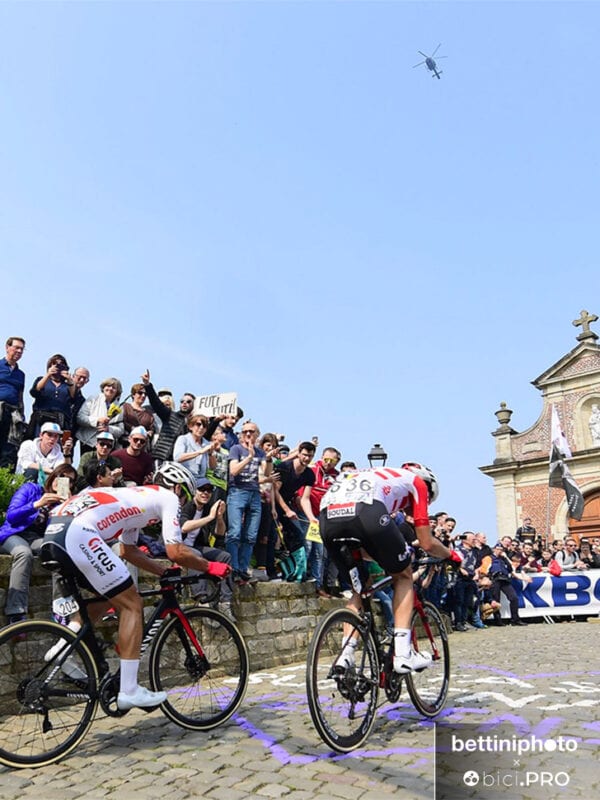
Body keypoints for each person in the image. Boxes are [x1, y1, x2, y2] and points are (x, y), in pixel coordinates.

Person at [41, 461, 231, 711]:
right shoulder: (168, 498)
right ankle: (129, 690)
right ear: (178, 488)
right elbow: (175, 551)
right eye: (184, 496)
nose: (182, 503)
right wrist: (209, 567)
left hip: (54, 534)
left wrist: (162, 571)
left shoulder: (135, 499)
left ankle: (62, 646)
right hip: (79, 534)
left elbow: (128, 551)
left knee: (113, 594)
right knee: (132, 604)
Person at [320, 462, 458, 674]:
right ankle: (403, 656)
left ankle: (345, 655)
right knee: (403, 576)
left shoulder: (371, 475)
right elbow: (427, 542)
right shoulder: (417, 482)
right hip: (365, 512)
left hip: (328, 518)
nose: (413, 508)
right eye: (429, 500)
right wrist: (451, 556)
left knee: (360, 589)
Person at [0, 463, 78, 623]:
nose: (63, 482)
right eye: (61, 476)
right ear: (53, 476)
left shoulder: (61, 503)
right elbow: (11, 516)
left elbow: (61, 533)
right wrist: (37, 504)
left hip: (36, 538)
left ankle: (60, 609)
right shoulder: (31, 489)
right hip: (13, 533)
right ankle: (16, 612)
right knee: (23, 553)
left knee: (58, 553)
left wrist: (67, 508)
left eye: (70, 481)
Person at [226, 421, 272, 582]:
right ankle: (233, 568)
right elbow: (233, 471)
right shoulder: (236, 449)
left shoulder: (260, 452)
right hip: (237, 491)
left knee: (251, 535)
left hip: (254, 493)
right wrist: (249, 457)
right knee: (235, 532)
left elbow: (266, 474)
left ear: (257, 434)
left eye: (251, 432)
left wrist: (269, 459)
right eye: (244, 431)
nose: (247, 435)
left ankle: (243, 568)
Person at [273, 441, 318, 583]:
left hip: (288, 506)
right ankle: (273, 570)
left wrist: (311, 517)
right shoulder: (284, 467)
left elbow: (305, 499)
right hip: (273, 503)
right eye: (304, 455)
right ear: (298, 453)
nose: (306, 458)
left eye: (310, 456)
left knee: (298, 536)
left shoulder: (309, 474)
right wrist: (286, 510)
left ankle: (296, 573)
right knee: (273, 537)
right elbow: (274, 491)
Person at [141, 370, 194, 463]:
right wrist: (148, 385)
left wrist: (217, 420)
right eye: (182, 401)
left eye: (188, 401)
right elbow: (156, 403)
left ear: (194, 405)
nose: (184, 403)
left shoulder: (195, 424)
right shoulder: (170, 415)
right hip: (161, 457)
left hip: (179, 462)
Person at [27, 353, 77, 437]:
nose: (58, 367)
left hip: (61, 420)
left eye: (61, 365)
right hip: (42, 418)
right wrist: (48, 374)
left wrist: (69, 380)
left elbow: (73, 397)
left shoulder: (67, 385)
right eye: (55, 364)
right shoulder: (42, 380)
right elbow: (35, 391)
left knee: (59, 446)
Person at [76, 377, 125, 455]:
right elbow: (80, 417)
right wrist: (97, 421)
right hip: (88, 442)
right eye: (108, 386)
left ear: (117, 391)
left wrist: (108, 429)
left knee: (102, 466)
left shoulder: (119, 407)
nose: (110, 389)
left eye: (114, 387)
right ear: (103, 387)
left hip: (106, 444)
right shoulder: (93, 399)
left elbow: (120, 430)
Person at [0, 336, 26, 470]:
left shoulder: (21, 374)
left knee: (9, 448)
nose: (19, 351)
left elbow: (20, 396)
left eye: (22, 349)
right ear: (7, 347)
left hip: (13, 413)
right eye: (16, 347)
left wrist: (22, 415)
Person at [173, 414, 217, 487]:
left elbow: (213, 467)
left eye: (204, 426)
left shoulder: (207, 443)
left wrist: (210, 454)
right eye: (198, 424)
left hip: (200, 480)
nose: (201, 428)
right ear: (191, 426)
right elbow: (177, 457)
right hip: (184, 478)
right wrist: (200, 452)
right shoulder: (183, 439)